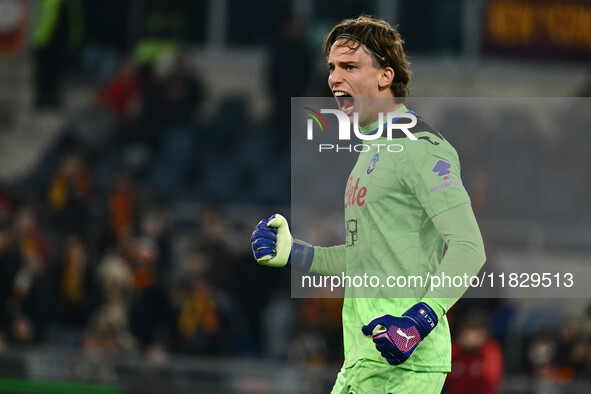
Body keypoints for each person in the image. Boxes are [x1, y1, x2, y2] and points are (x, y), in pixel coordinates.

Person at [251, 15, 486, 393]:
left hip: (406, 365)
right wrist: (296, 253)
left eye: (349, 66)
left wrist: (417, 323)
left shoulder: (422, 147)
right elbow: (366, 257)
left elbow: (469, 248)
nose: (334, 78)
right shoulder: (371, 152)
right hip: (363, 362)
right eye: (331, 67)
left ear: (385, 76)